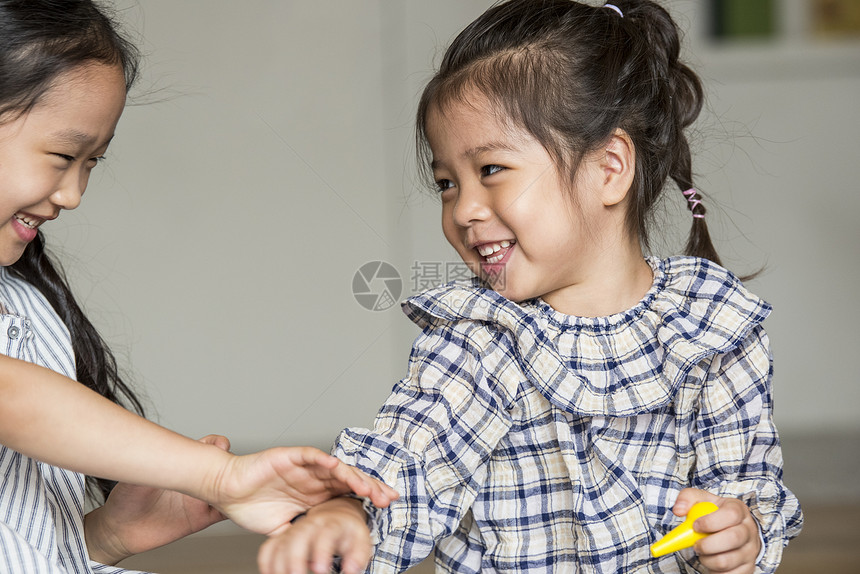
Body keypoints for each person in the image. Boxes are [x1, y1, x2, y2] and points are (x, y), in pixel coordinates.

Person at [261, 1, 804, 573]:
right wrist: (347, 513)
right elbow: (413, 457)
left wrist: (737, 536)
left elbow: (747, 489)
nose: (464, 209)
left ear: (609, 168)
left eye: (490, 169)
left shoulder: (711, 325)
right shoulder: (482, 335)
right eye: (447, 183)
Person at [0, 1, 397, 573]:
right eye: (63, 155)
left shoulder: (30, 307)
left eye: (91, 163)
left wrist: (109, 535)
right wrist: (220, 475)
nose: (72, 194)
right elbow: (11, 395)